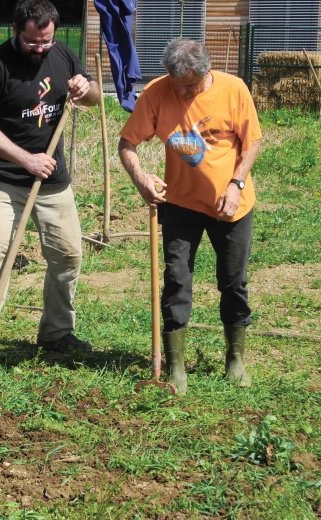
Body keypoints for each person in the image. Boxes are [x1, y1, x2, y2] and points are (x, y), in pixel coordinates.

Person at [0, 0, 100, 371]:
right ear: (16, 30)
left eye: (46, 41)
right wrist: (25, 159)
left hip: (52, 179)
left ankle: (57, 332)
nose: (40, 48)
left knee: (68, 255)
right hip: (5, 178)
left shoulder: (63, 55)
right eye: (33, 42)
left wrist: (86, 88)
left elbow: (95, 99)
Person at [117, 38, 262, 394]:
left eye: (191, 87)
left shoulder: (234, 89)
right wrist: (142, 179)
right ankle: (176, 366)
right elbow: (127, 144)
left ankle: (235, 358)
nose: (184, 94)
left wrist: (236, 184)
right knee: (177, 279)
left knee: (233, 281)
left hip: (230, 205)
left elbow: (252, 141)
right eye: (178, 86)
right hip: (180, 205)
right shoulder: (156, 93)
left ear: (206, 72)